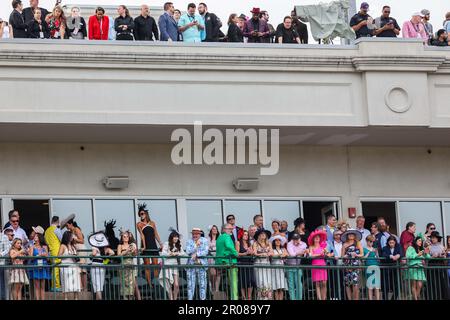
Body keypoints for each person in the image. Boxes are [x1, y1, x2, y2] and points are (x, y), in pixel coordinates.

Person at [136, 203, 162, 284]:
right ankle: (149, 284)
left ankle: (156, 283)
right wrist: (144, 246)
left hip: (153, 245)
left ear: (146, 214)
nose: (141, 215)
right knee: (147, 266)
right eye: (140, 214)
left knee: (155, 265)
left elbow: (156, 234)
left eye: (142, 213)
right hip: (145, 245)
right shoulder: (139, 224)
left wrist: (161, 244)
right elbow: (142, 236)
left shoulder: (152, 223)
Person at [159, 229, 185, 300]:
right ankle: (171, 298)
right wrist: (170, 254)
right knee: (169, 285)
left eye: (177, 237)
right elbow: (163, 253)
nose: (176, 238)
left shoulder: (178, 245)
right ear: (172, 237)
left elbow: (183, 253)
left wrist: (177, 253)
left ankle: (175, 298)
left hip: (174, 265)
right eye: (175, 237)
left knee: (176, 285)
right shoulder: (166, 243)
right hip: (167, 265)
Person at [89, 231, 114, 300]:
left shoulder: (95, 246)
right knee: (100, 286)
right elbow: (113, 253)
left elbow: (93, 254)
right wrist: (107, 256)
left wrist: (90, 255)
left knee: (96, 286)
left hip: (95, 266)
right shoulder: (106, 248)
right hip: (102, 266)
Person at [216, 224, 239, 300]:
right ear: (224, 229)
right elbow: (229, 246)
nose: (231, 230)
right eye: (229, 228)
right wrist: (236, 253)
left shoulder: (219, 237)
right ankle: (234, 298)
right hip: (230, 261)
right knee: (234, 282)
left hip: (221, 262)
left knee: (229, 282)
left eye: (231, 228)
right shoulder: (226, 236)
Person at [185, 228, 208, 300]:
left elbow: (206, 251)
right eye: (193, 234)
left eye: (196, 234)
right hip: (191, 265)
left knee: (203, 284)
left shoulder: (204, 240)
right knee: (190, 285)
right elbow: (188, 251)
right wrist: (196, 246)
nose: (195, 235)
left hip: (201, 265)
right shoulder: (189, 241)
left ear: (200, 234)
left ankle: (203, 299)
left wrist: (197, 254)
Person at [66, 218, 87, 291]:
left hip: (81, 249)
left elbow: (82, 240)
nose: (66, 227)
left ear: (71, 224)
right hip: (76, 251)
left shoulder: (76, 229)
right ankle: (81, 287)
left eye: (67, 225)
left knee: (83, 269)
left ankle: (85, 288)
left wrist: (74, 239)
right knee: (78, 269)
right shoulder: (71, 231)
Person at [117, 230, 140, 300]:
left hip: (131, 265)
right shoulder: (120, 245)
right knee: (124, 284)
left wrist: (134, 251)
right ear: (122, 238)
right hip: (123, 265)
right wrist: (126, 251)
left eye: (127, 236)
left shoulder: (131, 245)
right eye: (124, 237)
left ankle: (131, 297)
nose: (126, 238)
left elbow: (134, 255)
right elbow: (118, 256)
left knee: (131, 284)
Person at [341, 229, 363, 300]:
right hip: (347, 265)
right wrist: (346, 256)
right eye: (349, 234)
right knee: (347, 284)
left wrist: (356, 254)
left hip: (356, 265)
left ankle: (355, 298)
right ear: (347, 235)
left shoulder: (358, 243)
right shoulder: (344, 244)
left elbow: (362, 254)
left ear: (354, 235)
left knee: (355, 283)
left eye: (352, 234)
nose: (350, 235)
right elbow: (342, 256)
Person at [58, 231, 81, 300]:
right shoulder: (63, 246)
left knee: (76, 283)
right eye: (71, 236)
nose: (72, 237)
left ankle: (76, 298)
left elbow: (76, 255)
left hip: (74, 266)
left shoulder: (73, 246)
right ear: (67, 237)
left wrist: (75, 256)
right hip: (65, 266)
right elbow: (58, 256)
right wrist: (68, 255)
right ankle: (65, 298)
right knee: (66, 283)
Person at [308, 230, 329, 300]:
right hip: (315, 265)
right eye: (315, 237)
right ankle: (319, 298)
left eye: (318, 237)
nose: (317, 238)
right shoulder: (311, 247)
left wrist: (327, 254)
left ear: (320, 239)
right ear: (313, 239)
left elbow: (328, 254)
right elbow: (311, 256)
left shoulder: (323, 246)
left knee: (324, 283)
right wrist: (319, 255)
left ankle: (324, 298)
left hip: (322, 264)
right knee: (317, 283)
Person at [27, 232, 50, 300]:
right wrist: (37, 256)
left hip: (43, 266)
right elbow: (30, 258)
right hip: (35, 266)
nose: (34, 237)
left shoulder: (45, 246)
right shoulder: (32, 246)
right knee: (36, 286)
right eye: (34, 236)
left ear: (40, 238)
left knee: (42, 286)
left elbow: (48, 258)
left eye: (36, 236)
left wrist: (45, 255)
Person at [252, 229, 273, 300]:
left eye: (264, 234)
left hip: (267, 263)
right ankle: (261, 298)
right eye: (261, 234)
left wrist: (268, 253)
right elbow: (254, 253)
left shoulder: (269, 243)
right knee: (260, 280)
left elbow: (272, 252)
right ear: (258, 236)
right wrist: (262, 254)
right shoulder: (255, 243)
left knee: (267, 280)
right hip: (258, 263)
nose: (263, 235)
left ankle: (268, 297)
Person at [285, 233, 306, 300]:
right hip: (289, 266)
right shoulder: (289, 244)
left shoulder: (303, 244)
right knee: (291, 285)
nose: (295, 241)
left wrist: (300, 250)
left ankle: (299, 299)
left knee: (299, 285)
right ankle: (292, 299)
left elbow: (305, 254)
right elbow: (292, 254)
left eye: (297, 239)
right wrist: (299, 253)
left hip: (298, 266)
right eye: (294, 239)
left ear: (299, 239)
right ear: (292, 239)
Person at [380, 235, 402, 300]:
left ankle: (394, 298)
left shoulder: (399, 246)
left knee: (397, 285)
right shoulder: (385, 248)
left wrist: (398, 255)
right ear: (388, 242)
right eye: (390, 243)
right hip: (386, 269)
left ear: (395, 242)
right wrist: (390, 256)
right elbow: (383, 254)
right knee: (385, 286)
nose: (391, 244)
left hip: (395, 268)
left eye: (393, 242)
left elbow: (401, 253)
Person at [44, 216, 62, 291]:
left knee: (53, 269)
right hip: (57, 251)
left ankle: (54, 286)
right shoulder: (56, 230)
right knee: (56, 269)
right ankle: (56, 286)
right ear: (57, 221)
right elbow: (62, 239)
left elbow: (45, 241)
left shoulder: (47, 231)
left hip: (50, 251)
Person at [236, 230, 254, 300]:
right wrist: (245, 253)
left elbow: (252, 252)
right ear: (241, 235)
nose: (246, 236)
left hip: (249, 263)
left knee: (251, 280)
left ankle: (249, 296)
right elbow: (237, 253)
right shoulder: (238, 243)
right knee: (242, 280)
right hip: (242, 263)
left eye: (247, 235)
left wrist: (252, 252)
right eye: (244, 234)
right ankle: (244, 297)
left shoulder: (249, 243)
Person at [427, 231, 446, 299]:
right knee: (432, 282)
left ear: (438, 238)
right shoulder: (429, 247)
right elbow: (426, 257)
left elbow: (444, 256)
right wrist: (432, 257)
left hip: (440, 265)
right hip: (431, 265)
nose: (433, 239)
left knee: (440, 282)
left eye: (434, 238)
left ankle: (441, 296)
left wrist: (442, 256)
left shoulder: (442, 246)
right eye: (432, 238)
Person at [326, 230, 344, 300]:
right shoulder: (330, 244)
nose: (338, 236)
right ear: (334, 236)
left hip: (343, 265)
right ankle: (334, 297)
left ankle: (342, 297)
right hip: (333, 266)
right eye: (336, 235)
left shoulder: (344, 243)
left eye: (340, 234)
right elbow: (327, 253)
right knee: (333, 283)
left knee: (343, 283)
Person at [270, 235, 288, 300]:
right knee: (276, 287)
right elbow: (271, 255)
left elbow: (287, 254)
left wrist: (283, 254)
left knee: (281, 287)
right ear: (274, 242)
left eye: (279, 240)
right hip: (274, 269)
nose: (278, 241)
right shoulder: (272, 249)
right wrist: (280, 255)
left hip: (281, 269)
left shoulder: (283, 249)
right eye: (276, 240)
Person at [363, 235, 380, 300]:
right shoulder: (364, 249)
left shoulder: (375, 249)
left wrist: (376, 253)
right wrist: (369, 252)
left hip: (376, 267)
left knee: (377, 286)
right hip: (368, 267)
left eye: (372, 242)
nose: (371, 243)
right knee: (370, 286)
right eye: (370, 241)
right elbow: (363, 259)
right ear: (367, 241)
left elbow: (378, 259)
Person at [0, 228, 14, 300]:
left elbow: (7, 248)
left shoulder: (4, 237)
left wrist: (1, 254)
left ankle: (6, 298)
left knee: (6, 283)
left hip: (4, 262)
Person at [207, 225, 220, 294]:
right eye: (213, 229)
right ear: (211, 230)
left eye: (216, 229)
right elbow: (207, 248)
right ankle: (212, 287)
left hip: (218, 258)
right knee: (213, 274)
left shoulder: (219, 238)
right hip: (211, 259)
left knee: (218, 274)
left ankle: (217, 290)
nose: (215, 230)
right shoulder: (208, 239)